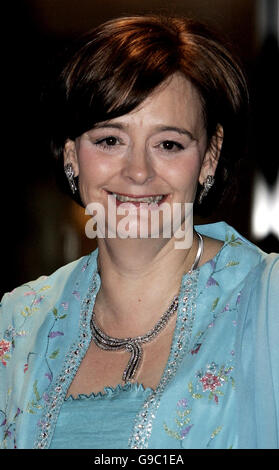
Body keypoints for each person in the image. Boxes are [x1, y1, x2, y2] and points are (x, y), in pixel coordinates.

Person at [0, 14, 278, 450]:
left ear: (209, 157)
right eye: (110, 140)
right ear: (72, 155)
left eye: (169, 144)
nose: (138, 172)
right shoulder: (16, 322)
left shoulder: (269, 302)